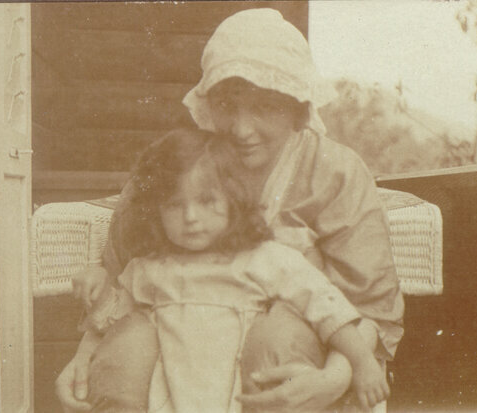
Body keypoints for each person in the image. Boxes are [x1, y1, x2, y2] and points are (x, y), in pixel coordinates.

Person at [57, 7, 404, 412]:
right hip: (181, 360)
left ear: (298, 107)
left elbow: (369, 306)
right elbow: (125, 282)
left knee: (276, 338)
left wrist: (335, 378)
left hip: (303, 363)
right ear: (207, 104)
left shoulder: (335, 173)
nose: (241, 129)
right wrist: (88, 358)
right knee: (128, 350)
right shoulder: (177, 165)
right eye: (227, 105)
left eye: (265, 107)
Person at [78, 129, 390, 412]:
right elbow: (117, 324)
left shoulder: (265, 258)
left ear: (232, 199)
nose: (190, 217)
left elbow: (326, 309)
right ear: (156, 211)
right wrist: (99, 291)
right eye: (174, 205)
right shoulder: (148, 268)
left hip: (242, 391)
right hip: (174, 395)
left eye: (207, 201)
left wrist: (362, 362)